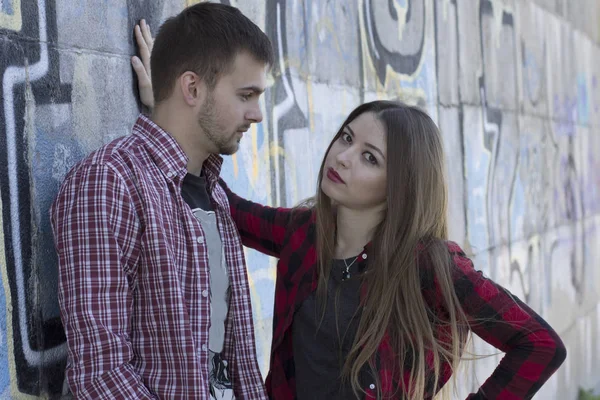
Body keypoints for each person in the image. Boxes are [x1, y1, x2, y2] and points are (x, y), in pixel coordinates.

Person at [132, 27, 566, 400]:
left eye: (370, 158)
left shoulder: (430, 264)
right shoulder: (304, 234)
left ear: (401, 186)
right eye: (345, 138)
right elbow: (217, 198)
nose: (341, 157)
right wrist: (175, 110)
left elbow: (540, 343)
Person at [50, 3, 274, 399]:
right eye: (246, 95)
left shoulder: (216, 196)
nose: (257, 113)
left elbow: (234, 368)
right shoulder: (109, 182)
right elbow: (102, 374)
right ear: (191, 88)